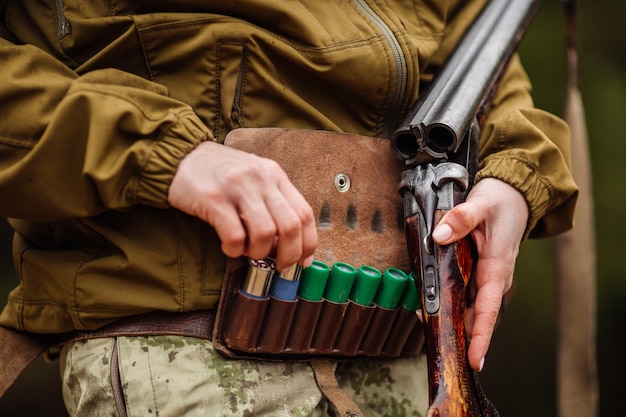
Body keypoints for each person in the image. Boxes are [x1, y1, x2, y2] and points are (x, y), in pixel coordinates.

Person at [0, 1, 577, 416]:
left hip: (407, 351)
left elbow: (482, 47)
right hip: (195, 356)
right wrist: (161, 151)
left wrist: (513, 176)